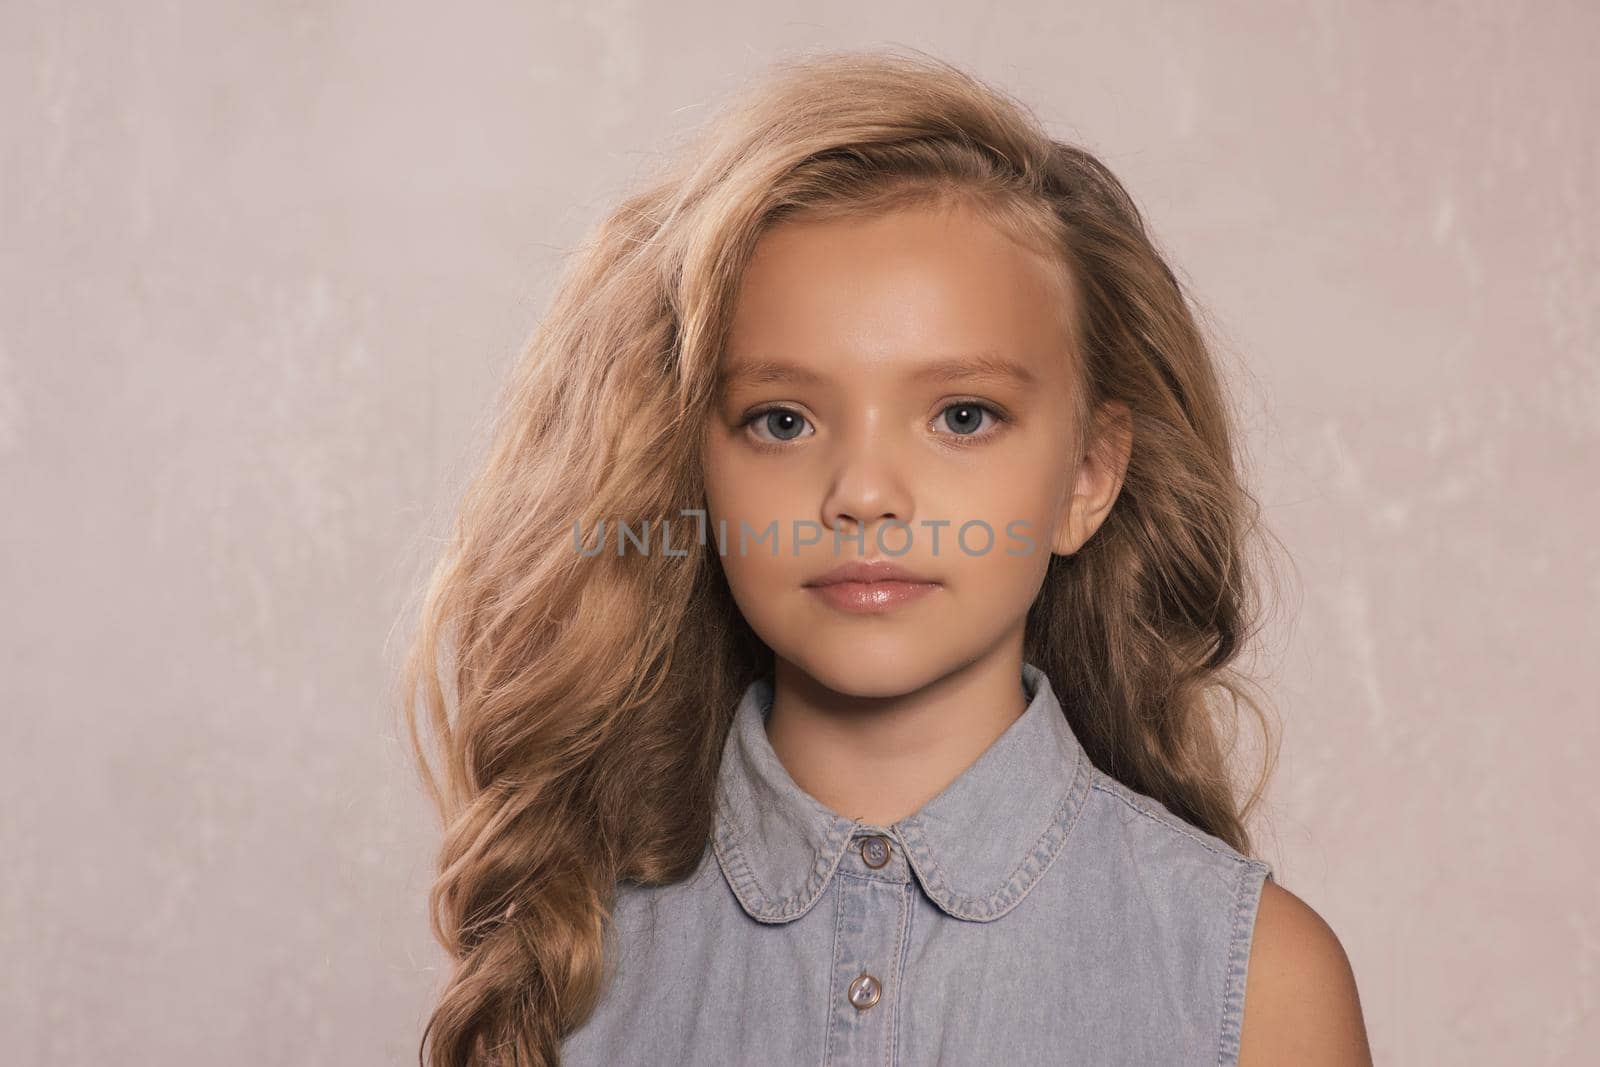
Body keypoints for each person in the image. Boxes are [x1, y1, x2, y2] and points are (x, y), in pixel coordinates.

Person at [401, 46, 1373, 1067]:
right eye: (781, 419)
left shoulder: (1254, 980)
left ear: (1087, 474)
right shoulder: (563, 956)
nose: (862, 492)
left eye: (962, 414)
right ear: (690, 470)